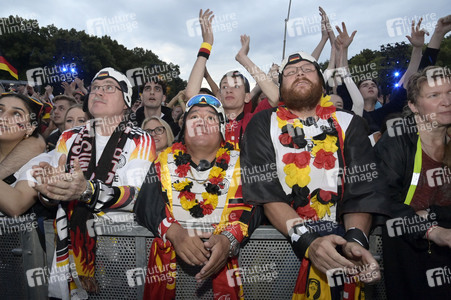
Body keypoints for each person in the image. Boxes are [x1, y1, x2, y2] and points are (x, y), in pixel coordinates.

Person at [241, 51, 391, 298]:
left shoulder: (349, 122)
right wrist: (308, 241)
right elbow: (265, 191)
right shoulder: (262, 123)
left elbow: (363, 190)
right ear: (280, 88)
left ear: (322, 83)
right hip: (283, 244)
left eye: (308, 69)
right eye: (290, 72)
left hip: (342, 242)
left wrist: (354, 242)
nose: (299, 73)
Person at [29, 67, 156, 298]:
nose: (98, 92)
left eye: (108, 88)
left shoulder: (141, 138)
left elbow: (138, 195)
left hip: (121, 249)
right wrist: (48, 189)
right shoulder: (68, 137)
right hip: (68, 251)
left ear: (126, 101)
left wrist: (88, 191)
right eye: (95, 87)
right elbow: (52, 197)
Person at [134, 94, 261, 300]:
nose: (201, 121)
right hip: (170, 275)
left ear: (221, 131)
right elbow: (144, 206)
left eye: (211, 117)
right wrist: (175, 233)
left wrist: (229, 239)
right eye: (194, 117)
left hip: (234, 275)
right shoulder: (162, 162)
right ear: (184, 130)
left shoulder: (244, 163)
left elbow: (259, 205)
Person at [375, 66, 451, 299]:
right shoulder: (397, 140)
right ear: (414, 106)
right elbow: (383, 200)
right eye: (434, 96)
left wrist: (431, 214)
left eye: (450, 93)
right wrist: (431, 230)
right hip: (410, 250)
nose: (446, 102)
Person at [185, 9, 278, 150]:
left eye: (236, 86)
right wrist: (207, 44)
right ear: (219, 97)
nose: (229, 89)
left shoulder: (254, 120)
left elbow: (275, 97)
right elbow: (191, 95)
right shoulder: (209, 122)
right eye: (224, 86)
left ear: (247, 97)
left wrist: (243, 58)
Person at [0, 92, 44, 216]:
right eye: (0, 109)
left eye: (16, 114)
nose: (3, 117)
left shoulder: (40, 161)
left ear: (30, 129)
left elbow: (16, 205)